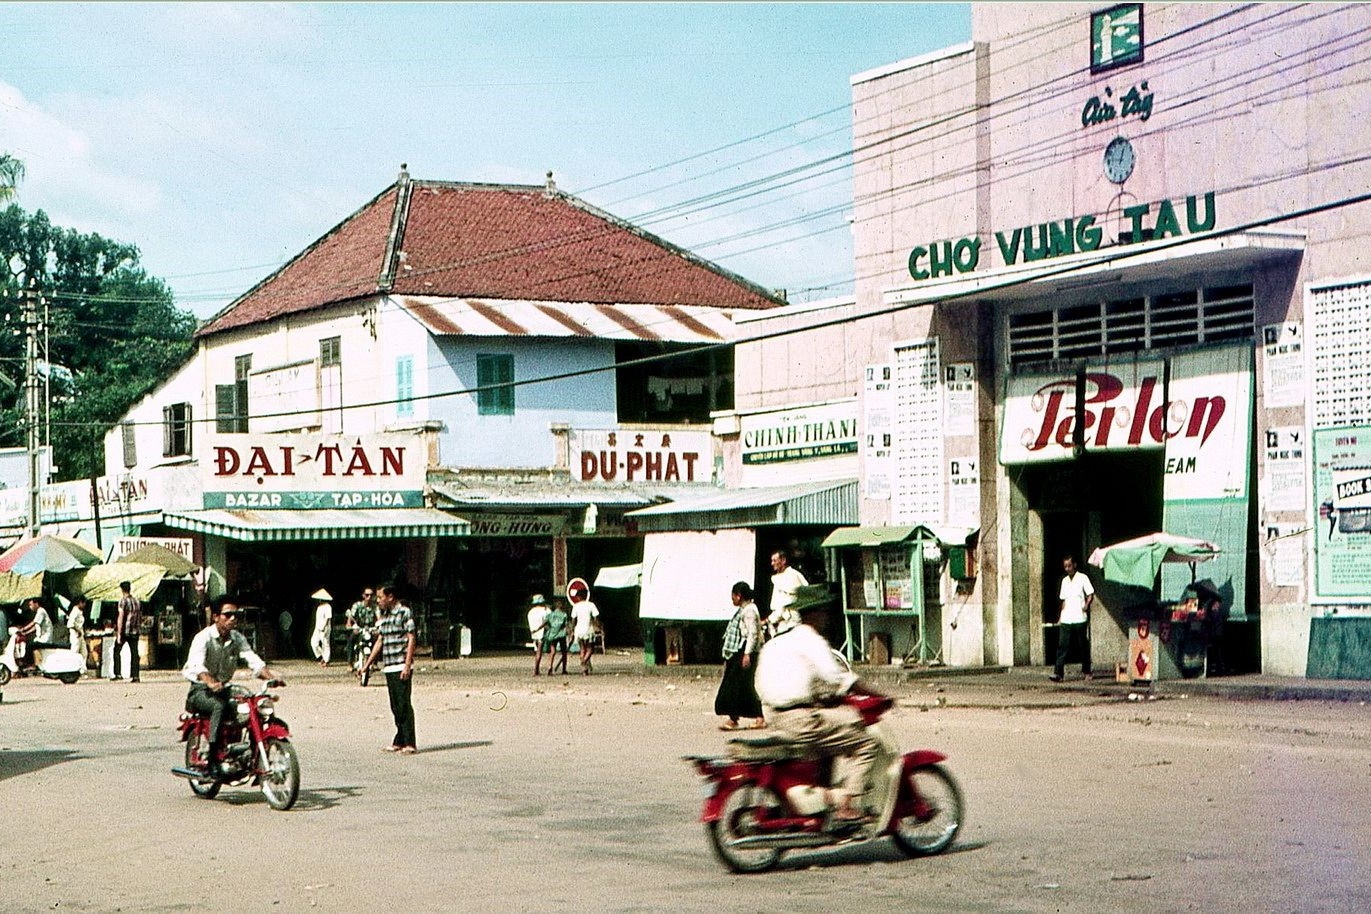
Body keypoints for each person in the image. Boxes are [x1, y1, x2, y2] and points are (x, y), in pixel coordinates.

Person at [754, 584, 885, 824]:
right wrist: (878, 694)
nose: (827, 616)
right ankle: (846, 805)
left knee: (830, 733)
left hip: (773, 714)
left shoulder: (777, 642)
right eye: (824, 611)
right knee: (866, 743)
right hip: (800, 720)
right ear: (815, 613)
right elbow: (840, 678)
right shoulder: (812, 640)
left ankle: (822, 800)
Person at [181, 596, 282, 780]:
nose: (233, 619)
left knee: (252, 700)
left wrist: (272, 677)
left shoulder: (237, 638)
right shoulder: (203, 638)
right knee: (219, 706)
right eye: (228, 615)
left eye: (236, 615)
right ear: (216, 617)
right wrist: (210, 682)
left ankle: (247, 750)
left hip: (224, 687)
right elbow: (196, 666)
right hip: (200, 690)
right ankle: (212, 757)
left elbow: (253, 660)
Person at [361, 584, 417, 754]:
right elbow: (380, 641)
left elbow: (411, 638)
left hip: (401, 664)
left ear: (390, 597)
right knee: (395, 705)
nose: (378, 601)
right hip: (389, 665)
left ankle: (410, 742)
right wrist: (367, 664)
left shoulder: (404, 612)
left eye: (380, 597)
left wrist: (407, 665)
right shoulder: (383, 616)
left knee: (403, 704)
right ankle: (399, 740)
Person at [714, 581, 764, 731]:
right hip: (739, 652)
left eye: (733, 596)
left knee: (737, 686)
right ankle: (742, 717)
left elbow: (752, 634)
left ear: (739, 596)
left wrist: (747, 654)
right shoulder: (744, 609)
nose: (732, 599)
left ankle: (736, 719)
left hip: (744, 651)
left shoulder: (749, 611)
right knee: (740, 686)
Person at [1051, 554, 1095, 683]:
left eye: (1069, 565)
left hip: (1079, 617)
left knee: (1082, 645)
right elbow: (1064, 600)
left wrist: (1086, 606)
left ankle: (1087, 671)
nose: (1067, 568)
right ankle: (1059, 673)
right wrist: (1060, 616)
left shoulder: (1083, 578)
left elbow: (1090, 594)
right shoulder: (1064, 581)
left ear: (1074, 565)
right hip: (1067, 617)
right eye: (1065, 566)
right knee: (1062, 645)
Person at [766, 549, 809, 638]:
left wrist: (769, 619)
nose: (772, 564)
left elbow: (785, 604)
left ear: (783, 560)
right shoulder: (778, 578)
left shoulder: (793, 576)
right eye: (771, 561)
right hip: (780, 623)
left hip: (791, 623)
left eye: (774, 560)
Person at [567, 578, 600, 675]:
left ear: (578, 597)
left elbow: (573, 620)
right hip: (588, 629)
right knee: (590, 649)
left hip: (579, 630)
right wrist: (598, 627)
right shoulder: (591, 605)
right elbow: (595, 618)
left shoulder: (576, 606)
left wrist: (572, 631)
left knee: (582, 649)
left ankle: (584, 670)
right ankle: (584, 662)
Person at [346, 587, 379, 676]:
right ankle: (350, 663)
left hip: (371, 629)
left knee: (378, 640)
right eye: (367, 595)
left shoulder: (375, 607)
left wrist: (378, 626)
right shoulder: (357, 605)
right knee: (351, 639)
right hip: (359, 628)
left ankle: (374, 662)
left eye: (371, 595)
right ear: (363, 596)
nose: (369, 597)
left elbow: (379, 618)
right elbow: (350, 617)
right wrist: (350, 625)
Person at [112, 582, 141, 682]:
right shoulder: (136, 601)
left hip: (125, 631)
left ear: (122, 589)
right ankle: (135, 676)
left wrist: (119, 633)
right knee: (134, 653)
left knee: (116, 651)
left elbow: (121, 617)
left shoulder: (123, 601)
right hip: (135, 631)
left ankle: (118, 674)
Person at [543, 597, 570, 675]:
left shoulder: (551, 614)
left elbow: (545, 623)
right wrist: (570, 633)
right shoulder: (564, 615)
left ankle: (550, 667)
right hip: (561, 634)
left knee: (553, 652)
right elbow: (566, 625)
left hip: (553, 634)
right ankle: (564, 669)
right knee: (564, 652)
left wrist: (550, 629)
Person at [527, 594, 550, 676]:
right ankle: (536, 669)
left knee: (536, 650)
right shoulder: (546, 610)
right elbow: (549, 620)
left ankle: (537, 668)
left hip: (534, 633)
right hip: (542, 633)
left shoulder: (530, 612)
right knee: (540, 651)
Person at [310, 588, 333, 667]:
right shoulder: (319, 607)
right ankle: (322, 656)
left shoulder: (327, 606)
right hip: (318, 627)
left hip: (325, 627)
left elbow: (328, 618)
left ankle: (326, 660)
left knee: (325, 643)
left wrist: (324, 626)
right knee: (313, 642)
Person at [66, 596, 89, 665]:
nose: (85, 605)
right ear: (80, 603)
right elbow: (70, 623)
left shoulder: (80, 611)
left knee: (84, 652)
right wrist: (77, 630)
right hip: (75, 635)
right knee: (75, 651)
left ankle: (82, 669)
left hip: (80, 635)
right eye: (84, 603)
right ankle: (72, 667)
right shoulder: (75, 610)